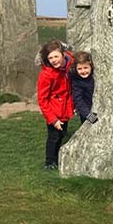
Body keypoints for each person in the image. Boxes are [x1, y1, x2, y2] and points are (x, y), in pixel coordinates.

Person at [36, 39, 74, 169]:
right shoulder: (46, 75)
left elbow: (74, 58)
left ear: (63, 55)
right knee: (53, 138)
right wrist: (53, 120)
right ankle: (49, 162)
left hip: (65, 109)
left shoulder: (68, 65)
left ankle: (57, 160)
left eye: (56, 56)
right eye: (50, 58)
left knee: (61, 136)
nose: (54, 60)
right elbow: (42, 100)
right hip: (54, 112)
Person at [70, 51, 98, 125]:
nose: (83, 71)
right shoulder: (76, 81)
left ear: (91, 67)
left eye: (85, 68)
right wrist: (88, 114)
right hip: (86, 111)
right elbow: (78, 100)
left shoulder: (93, 75)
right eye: (80, 69)